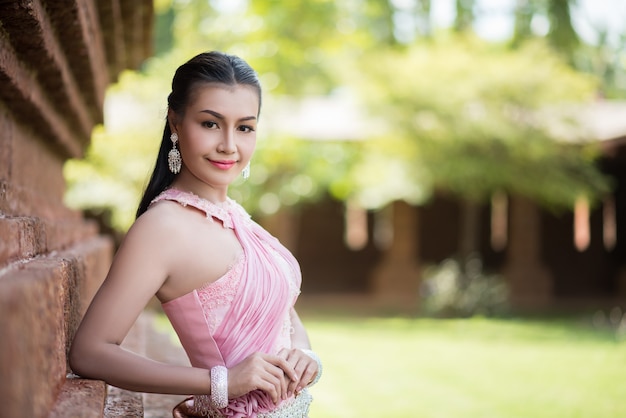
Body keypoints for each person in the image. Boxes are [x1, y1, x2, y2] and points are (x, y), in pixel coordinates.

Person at [69, 51, 321, 418]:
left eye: (245, 127)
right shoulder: (163, 227)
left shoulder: (240, 221)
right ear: (175, 122)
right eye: (210, 124)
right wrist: (220, 381)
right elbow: (90, 351)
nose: (229, 145)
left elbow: (286, 318)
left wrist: (305, 356)